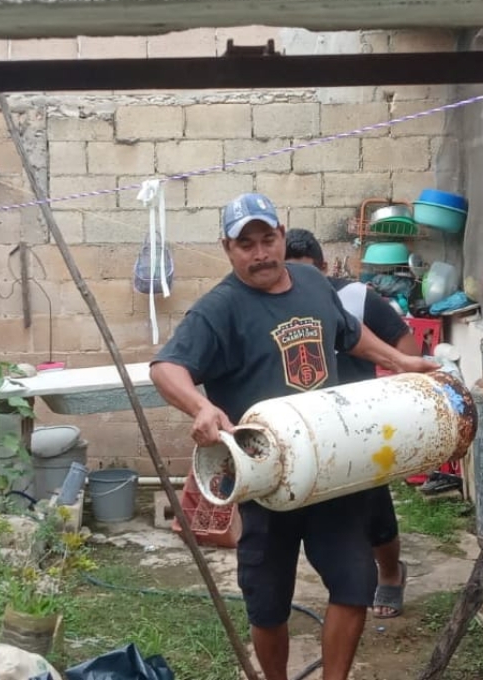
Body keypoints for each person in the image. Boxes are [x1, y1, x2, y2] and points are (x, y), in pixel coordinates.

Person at [149, 193, 439, 680]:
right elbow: (165, 368)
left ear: (282, 236)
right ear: (228, 248)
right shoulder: (218, 310)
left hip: (331, 464)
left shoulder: (309, 279)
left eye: (267, 239)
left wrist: (402, 361)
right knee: (268, 604)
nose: (260, 253)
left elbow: (347, 332)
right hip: (264, 474)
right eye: (247, 244)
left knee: (353, 583)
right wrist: (200, 406)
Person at [283, 228, 417, 620]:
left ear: (324, 268)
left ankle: (390, 575)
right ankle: (344, 587)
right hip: (310, 427)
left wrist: (394, 399)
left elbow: (404, 344)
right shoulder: (278, 303)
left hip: (361, 425)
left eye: (308, 272)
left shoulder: (357, 298)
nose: (299, 281)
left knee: (374, 507)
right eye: (291, 272)